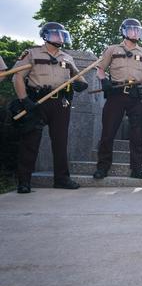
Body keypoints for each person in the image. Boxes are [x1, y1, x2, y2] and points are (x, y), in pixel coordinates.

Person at [11, 22, 88, 193]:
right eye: (55, 35)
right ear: (45, 36)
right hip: (36, 102)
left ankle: (62, 178)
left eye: (62, 35)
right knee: (30, 142)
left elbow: (79, 78)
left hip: (60, 103)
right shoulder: (31, 53)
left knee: (60, 142)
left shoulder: (67, 58)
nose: (60, 38)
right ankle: (24, 181)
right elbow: (17, 77)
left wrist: (81, 84)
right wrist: (24, 100)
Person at [93, 18, 142, 180]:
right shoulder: (112, 50)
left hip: (136, 96)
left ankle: (137, 169)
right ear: (124, 31)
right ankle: (102, 168)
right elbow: (100, 70)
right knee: (108, 133)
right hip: (116, 94)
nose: (135, 33)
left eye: (137, 30)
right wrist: (104, 80)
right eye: (131, 30)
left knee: (137, 135)